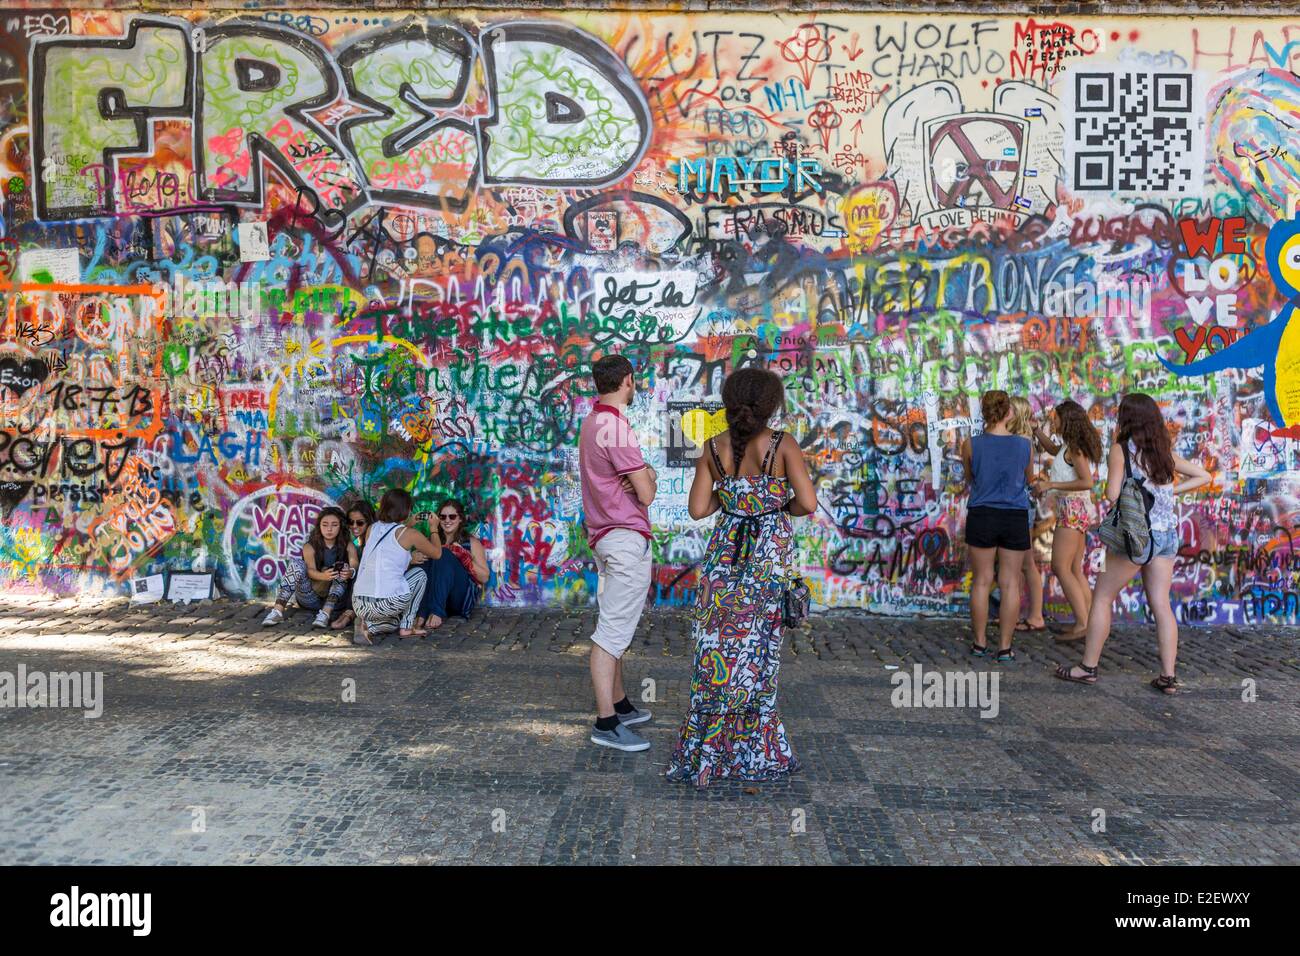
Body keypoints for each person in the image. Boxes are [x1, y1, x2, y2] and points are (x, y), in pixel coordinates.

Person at [666, 367, 817, 787]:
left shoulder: (714, 448)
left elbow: (699, 509)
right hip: (765, 570)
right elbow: (807, 503)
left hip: (722, 569)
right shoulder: (782, 445)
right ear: (771, 405)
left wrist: (733, 495)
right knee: (757, 660)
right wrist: (770, 506)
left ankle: (708, 750)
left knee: (716, 660)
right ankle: (753, 752)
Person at [1056, 393, 1211, 694]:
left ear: (1126, 418)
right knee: (1161, 604)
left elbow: (1113, 495)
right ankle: (1168, 675)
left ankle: (1088, 667)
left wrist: (1124, 492)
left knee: (1102, 597)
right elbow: (1203, 475)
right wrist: (1170, 493)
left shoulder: (1121, 450)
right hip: (1165, 537)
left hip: (1134, 537)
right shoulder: (1162, 451)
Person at [579, 354, 657, 752]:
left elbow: (636, 479)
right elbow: (646, 491)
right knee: (611, 634)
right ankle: (606, 723)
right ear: (629, 380)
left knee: (614, 624)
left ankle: (621, 705)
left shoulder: (593, 423)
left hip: (606, 538)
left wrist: (641, 476)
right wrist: (646, 478)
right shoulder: (615, 428)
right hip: (624, 538)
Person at [960, 390, 1034, 663]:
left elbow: (970, 477)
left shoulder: (970, 444)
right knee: (1010, 582)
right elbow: (1028, 478)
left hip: (982, 513)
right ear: (1010, 412)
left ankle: (979, 643)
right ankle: (1004, 647)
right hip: (1014, 515)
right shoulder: (1025, 445)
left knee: (981, 581)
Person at [1033, 400, 1102, 642]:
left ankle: (1083, 624)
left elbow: (1087, 481)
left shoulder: (1076, 449)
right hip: (1075, 509)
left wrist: (1051, 484)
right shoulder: (1067, 447)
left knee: (1060, 568)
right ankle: (1091, 622)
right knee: (1074, 569)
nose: (1054, 421)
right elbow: (1053, 450)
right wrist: (1036, 431)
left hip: (1073, 510)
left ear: (1067, 420)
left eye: (1057, 418)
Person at [351, 488, 442, 645]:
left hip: (359, 604)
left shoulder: (372, 528)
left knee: (392, 623)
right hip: (386, 603)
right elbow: (437, 553)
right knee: (420, 575)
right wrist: (434, 528)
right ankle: (407, 626)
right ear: (406, 509)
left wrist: (409, 524)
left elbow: (389, 547)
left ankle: (368, 625)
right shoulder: (410, 534)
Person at [261, 506, 358, 628]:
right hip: (310, 598)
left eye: (334, 525)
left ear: (340, 527)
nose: (329, 529)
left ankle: (325, 615)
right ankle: (277, 611)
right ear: (319, 526)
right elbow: (310, 571)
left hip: (336, 601)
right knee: (297, 563)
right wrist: (324, 576)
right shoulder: (310, 546)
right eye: (325, 524)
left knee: (343, 567)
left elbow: (354, 562)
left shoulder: (348, 545)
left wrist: (350, 572)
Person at [411, 498, 490, 630]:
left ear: (460, 519)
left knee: (444, 553)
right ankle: (422, 612)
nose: (447, 520)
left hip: (458, 599)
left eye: (452, 516)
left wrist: (464, 557)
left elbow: (484, 578)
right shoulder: (432, 539)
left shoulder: (471, 542)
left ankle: (436, 611)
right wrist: (411, 558)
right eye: (443, 517)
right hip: (433, 597)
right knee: (424, 558)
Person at [1008, 396, 1046, 634]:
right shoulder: (1018, 438)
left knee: (1025, 562)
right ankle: (1016, 614)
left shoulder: (1022, 440)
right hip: (1017, 504)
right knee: (1019, 564)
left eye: (1009, 409)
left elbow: (1026, 476)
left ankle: (1035, 615)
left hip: (1021, 505)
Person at [329, 500, 375, 631]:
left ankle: (350, 612)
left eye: (360, 522)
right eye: (351, 522)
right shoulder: (353, 543)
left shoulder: (374, 545)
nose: (354, 526)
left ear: (370, 522)